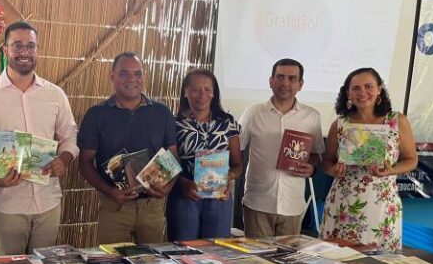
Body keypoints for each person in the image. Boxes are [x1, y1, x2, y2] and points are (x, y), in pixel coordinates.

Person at [0, 21, 79, 256]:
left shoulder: (55, 94)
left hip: (48, 201)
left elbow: (70, 135)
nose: (25, 52)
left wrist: (63, 160)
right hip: (5, 203)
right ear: (5, 50)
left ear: (37, 50)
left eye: (31, 46)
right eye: (17, 45)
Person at [78, 52, 178, 244]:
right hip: (114, 207)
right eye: (124, 73)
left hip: (152, 207)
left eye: (138, 73)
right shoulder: (96, 115)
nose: (132, 79)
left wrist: (167, 187)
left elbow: (172, 155)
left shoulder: (162, 112)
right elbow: (84, 163)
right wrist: (110, 191)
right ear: (112, 76)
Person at [320, 67, 417, 252]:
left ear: (379, 89)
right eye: (356, 88)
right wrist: (333, 170)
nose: (362, 93)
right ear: (348, 93)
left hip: (381, 203)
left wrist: (390, 170)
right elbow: (328, 162)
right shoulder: (340, 124)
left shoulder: (397, 121)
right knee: (337, 260)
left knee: (379, 262)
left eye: (368, 86)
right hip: (343, 202)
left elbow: (411, 160)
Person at [239, 58, 324, 238]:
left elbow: (315, 155)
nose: (285, 83)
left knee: (287, 262)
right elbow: (236, 148)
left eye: (292, 78)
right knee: (255, 262)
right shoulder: (253, 113)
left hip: (292, 203)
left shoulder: (312, 116)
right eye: (280, 77)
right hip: (258, 202)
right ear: (271, 81)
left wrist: (312, 168)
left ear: (300, 84)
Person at [167, 69, 242, 241]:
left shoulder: (228, 123)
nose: (202, 95)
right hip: (185, 196)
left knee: (216, 254)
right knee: (183, 252)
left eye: (207, 89)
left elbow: (238, 164)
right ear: (185, 92)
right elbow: (167, 163)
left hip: (219, 198)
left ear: (214, 93)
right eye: (195, 89)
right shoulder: (173, 123)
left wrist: (229, 176)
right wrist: (182, 183)